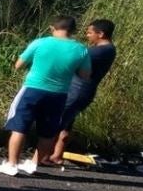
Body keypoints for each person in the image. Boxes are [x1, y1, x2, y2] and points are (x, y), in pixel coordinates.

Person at [0, 15, 91, 177]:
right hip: (59, 94)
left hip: (33, 89)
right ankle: (33, 164)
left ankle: (12, 164)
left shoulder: (40, 43)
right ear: (73, 31)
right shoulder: (81, 50)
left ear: (52, 28)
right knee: (48, 132)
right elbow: (85, 75)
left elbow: (18, 65)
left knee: (19, 126)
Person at [34, 19, 117, 166]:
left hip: (77, 90)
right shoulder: (107, 50)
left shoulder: (100, 51)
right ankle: (56, 155)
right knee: (66, 124)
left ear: (101, 34)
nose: (87, 35)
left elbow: (73, 59)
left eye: (90, 33)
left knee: (56, 122)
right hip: (82, 91)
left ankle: (40, 157)